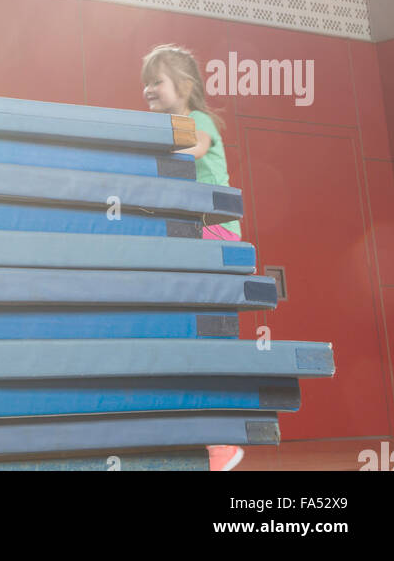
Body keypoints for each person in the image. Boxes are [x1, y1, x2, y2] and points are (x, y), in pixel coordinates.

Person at [141, 43, 244, 474]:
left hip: (214, 232)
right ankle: (205, 439)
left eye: (157, 81)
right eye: (144, 82)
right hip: (192, 233)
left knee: (208, 334)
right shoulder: (166, 127)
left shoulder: (197, 121)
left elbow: (195, 148)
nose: (148, 89)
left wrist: (153, 163)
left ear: (183, 86)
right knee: (187, 334)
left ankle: (222, 441)